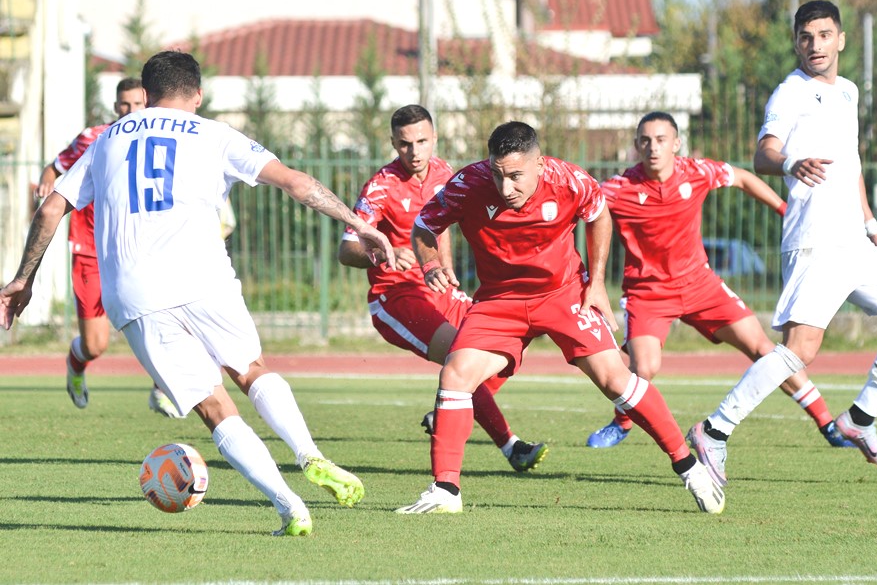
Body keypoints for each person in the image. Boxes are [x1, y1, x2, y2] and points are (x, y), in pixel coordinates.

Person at [1, 51, 396, 536]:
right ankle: (309, 454)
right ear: (198, 95)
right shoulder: (214, 134)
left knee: (214, 407)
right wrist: (360, 224)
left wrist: (24, 278)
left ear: (146, 95)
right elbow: (297, 183)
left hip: (135, 293)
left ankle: (290, 506)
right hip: (204, 277)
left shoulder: (106, 140)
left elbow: (49, 210)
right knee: (250, 370)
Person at [395, 121, 724, 514]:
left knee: (614, 379)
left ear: (539, 164)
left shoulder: (569, 181)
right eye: (498, 175)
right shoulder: (468, 184)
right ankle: (446, 491)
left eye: (516, 176)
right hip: (499, 300)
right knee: (455, 374)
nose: (505, 188)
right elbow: (424, 226)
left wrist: (596, 283)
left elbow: (599, 215)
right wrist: (430, 264)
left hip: (563, 295)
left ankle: (689, 467)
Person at [687, 0, 877, 488]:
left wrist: (873, 228)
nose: (815, 45)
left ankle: (859, 419)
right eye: (806, 37)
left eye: (824, 35)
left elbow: (851, 165)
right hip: (816, 241)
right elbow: (763, 153)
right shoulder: (791, 92)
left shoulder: (847, 91)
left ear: (840, 39)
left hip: (855, 242)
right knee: (800, 351)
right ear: (796, 43)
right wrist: (789, 163)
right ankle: (714, 430)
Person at [585, 111, 852, 450]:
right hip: (648, 293)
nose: (653, 147)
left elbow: (742, 177)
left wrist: (785, 211)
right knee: (645, 367)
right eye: (646, 141)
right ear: (637, 145)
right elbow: (582, 207)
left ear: (676, 144)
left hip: (700, 285)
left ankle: (828, 424)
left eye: (661, 140)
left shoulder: (695, 172)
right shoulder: (619, 188)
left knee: (764, 350)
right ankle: (621, 423)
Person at [337, 105, 547, 472]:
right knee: (460, 356)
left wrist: (444, 268)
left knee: (511, 336)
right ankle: (511, 447)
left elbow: (442, 225)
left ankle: (447, 408)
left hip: (437, 288)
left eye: (421, 141)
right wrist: (384, 253)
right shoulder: (381, 187)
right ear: (393, 143)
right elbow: (346, 250)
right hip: (396, 296)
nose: (414, 151)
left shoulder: (444, 173)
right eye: (405, 144)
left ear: (434, 138)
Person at [34, 78, 184, 417]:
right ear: (116, 106)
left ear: (148, 103)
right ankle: (76, 364)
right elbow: (55, 167)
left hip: (138, 249)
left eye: (137, 104)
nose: (130, 111)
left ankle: (161, 389)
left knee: (166, 314)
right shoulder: (95, 137)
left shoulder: (157, 138)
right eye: (124, 105)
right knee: (95, 344)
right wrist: (46, 182)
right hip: (90, 251)